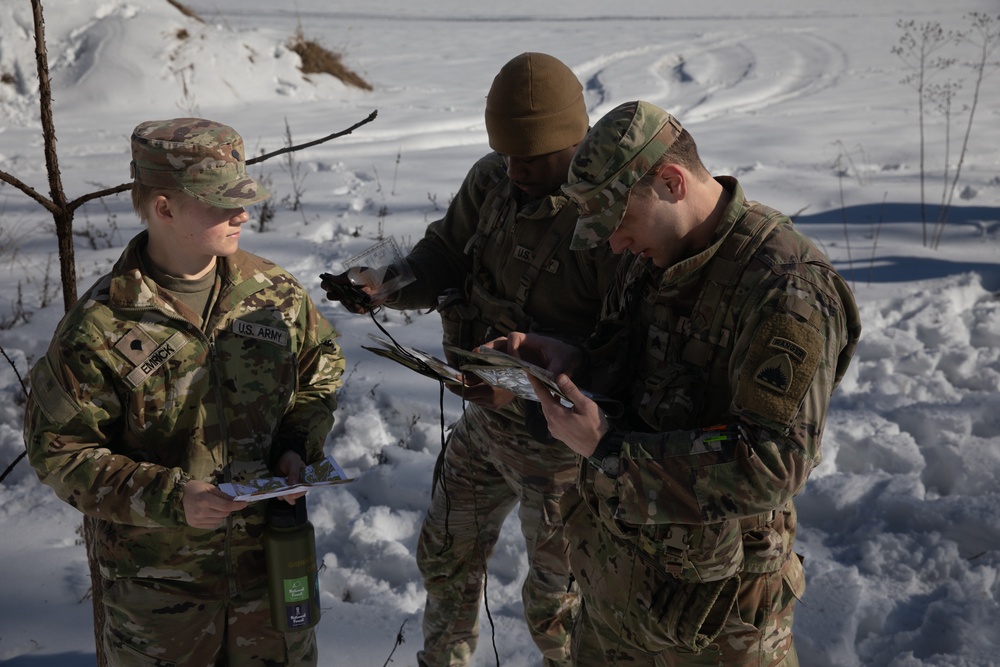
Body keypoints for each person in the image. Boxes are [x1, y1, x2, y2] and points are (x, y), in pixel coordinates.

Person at [500, 100, 862, 666]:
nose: (613, 245)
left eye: (618, 224)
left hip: (718, 626)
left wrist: (609, 449)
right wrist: (571, 362)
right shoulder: (650, 256)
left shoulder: (786, 289)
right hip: (616, 595)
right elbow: (640, 369)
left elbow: (773, 462)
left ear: (671, 182)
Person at [321, 53, 620, 666]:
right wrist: (389, 284)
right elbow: (446, 255)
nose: (516, 169)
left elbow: (622, 356)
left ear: (573, 140)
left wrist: (519, 384)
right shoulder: (494, 182)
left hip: (563, 459)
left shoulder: (607, 219)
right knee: (445, 556)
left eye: (532, 158)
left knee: (557, 608)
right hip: (485, 429)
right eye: (507, 153)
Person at [23, 118, 346, 666]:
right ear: (165, 208)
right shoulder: (101, 326)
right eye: (221, 202)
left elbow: (321, 372)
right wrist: (172, 498)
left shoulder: (273, 294)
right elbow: (61, 451)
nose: (242, 213)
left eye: (242, 197)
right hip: (159, 601)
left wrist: (297, 445)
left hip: (269, 579)